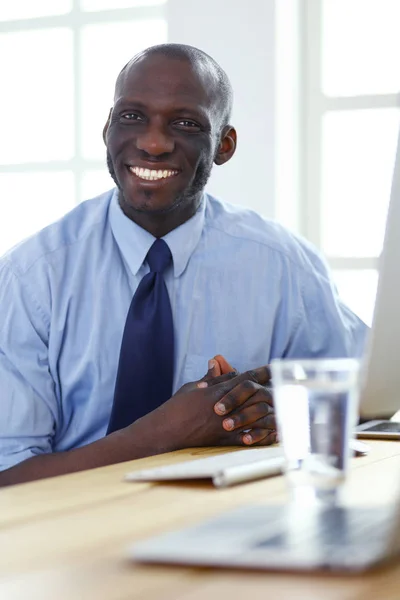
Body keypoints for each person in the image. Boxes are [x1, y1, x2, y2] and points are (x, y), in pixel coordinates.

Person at [0, 43, 367, 486]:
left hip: (230, 527)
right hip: (64, 534)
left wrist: (276, 414)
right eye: (132, 116)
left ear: (224, 146)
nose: (153, 143)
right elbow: (9, 476)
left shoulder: (285, 267)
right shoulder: (33, 277)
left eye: (186, 123)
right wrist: (163, 433)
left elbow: (363, 402)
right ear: (107, 129)